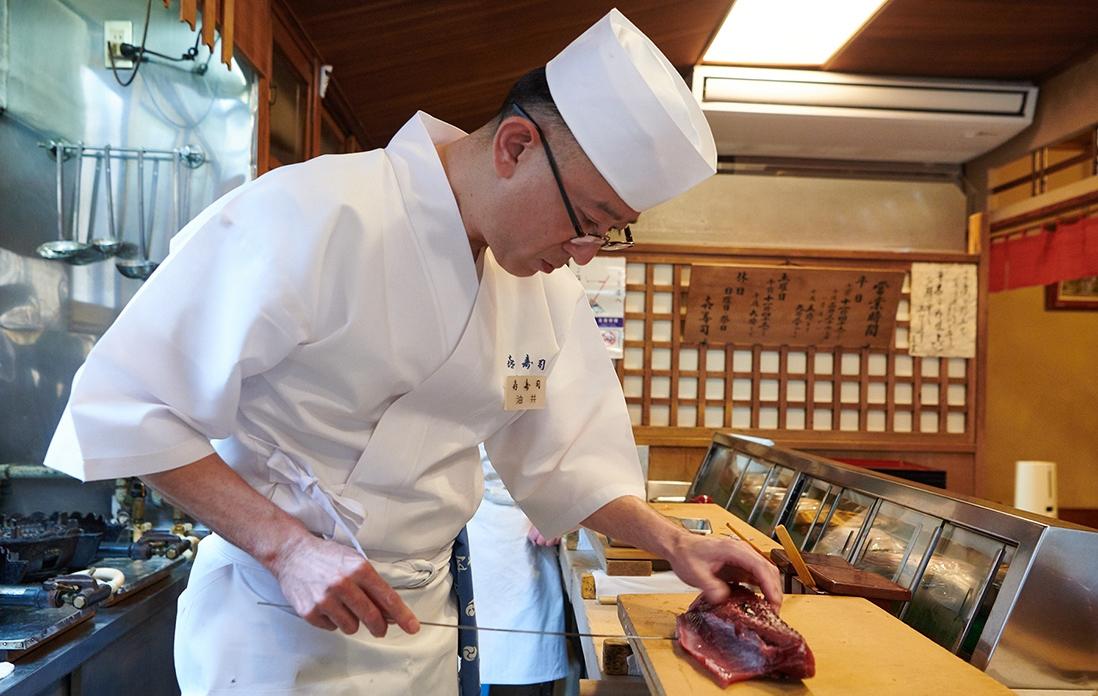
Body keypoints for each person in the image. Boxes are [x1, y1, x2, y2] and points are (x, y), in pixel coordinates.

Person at [44, 8, 781, 695]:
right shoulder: (308, 214)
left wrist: (673, 541)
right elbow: (128, 405)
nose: (586, 256)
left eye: (609, 233)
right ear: (515, 147)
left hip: (420, 630)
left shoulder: (540, 284)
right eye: (585, 222)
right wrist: (285, 549)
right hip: (274, 626)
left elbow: (566, 458)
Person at [466, 445, 569, 695]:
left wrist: (562, 505)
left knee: (520, 668)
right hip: (460, 532)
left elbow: (582, 452)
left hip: (522, 537)